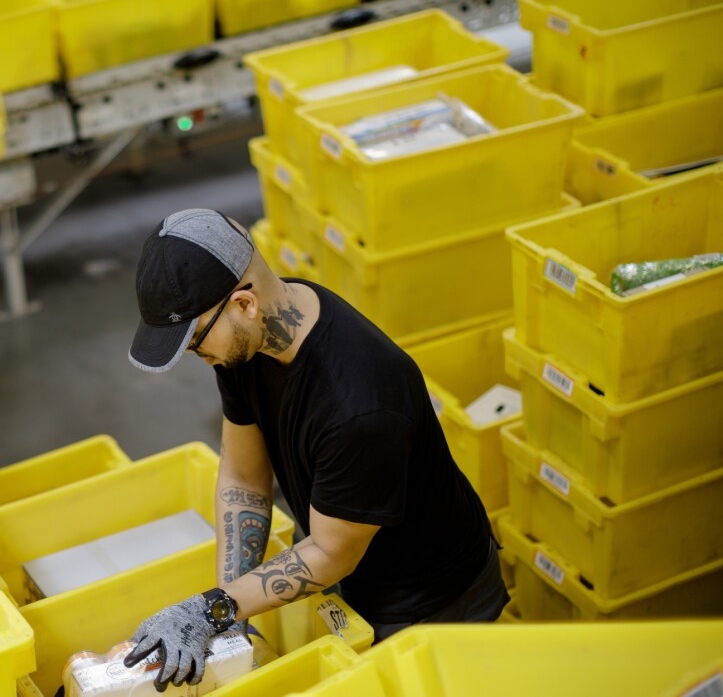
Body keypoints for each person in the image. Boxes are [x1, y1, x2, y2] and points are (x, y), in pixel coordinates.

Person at [122, 208, 509, 691]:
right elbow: (244, 478)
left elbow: (331, 552)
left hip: (428, 600)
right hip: (352, 567)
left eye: (194, 342)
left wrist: (214, 609)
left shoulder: (360, 405)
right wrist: (228, 611)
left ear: (244, 303)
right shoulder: (254, 336)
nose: (194, 357)